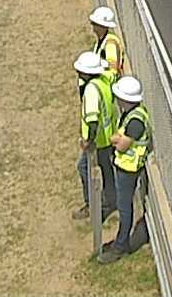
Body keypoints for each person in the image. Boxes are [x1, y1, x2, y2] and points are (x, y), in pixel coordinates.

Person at [97, 75, 152, 263]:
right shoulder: (133, 114)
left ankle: (120, 247)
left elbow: (121, 145)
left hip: (128, 170)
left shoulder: (135, 122)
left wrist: (116, 140)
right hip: (125, 168)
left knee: (124, 208)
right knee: (124, 207)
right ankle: (119, 243)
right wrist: (117, 139)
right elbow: (118, 137)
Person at [71, 51, 117, 221]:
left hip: (98, 141)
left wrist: (88, 141)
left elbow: (92, 121)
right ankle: (110, 201)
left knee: (84, 168)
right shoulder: (104, 81)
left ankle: (93, 205)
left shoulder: (91, 90)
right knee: (107, 171)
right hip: (108, 137)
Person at [89, 6, 125, 76]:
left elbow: (113, 69)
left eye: (94, 23)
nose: (92, 25)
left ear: (101, 25)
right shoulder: (100, 42)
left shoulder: (110, 43)